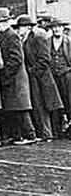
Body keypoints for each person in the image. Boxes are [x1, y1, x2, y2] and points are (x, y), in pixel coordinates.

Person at [15, 14, 63, 142]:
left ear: (28, 27)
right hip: (34, 78)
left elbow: (45, 59)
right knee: (37, 105)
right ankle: (42, 133)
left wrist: (32, 71)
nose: (19, 30)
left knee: (42, 106)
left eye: (21, 27)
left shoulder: (37, 38)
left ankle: (46, 134)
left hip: (41, 78)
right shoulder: (24, 39)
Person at [0, 8, 37, 145]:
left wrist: (5, 75)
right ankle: (17, 135)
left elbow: (16, 59)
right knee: (12, 108)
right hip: (10, 78)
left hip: (16, 78)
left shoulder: (12, 35)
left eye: (0, 22)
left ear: (6, 22)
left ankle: (30, 135)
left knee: (21, 108)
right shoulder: (1, 36)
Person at [49, 18, 71, 136]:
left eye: (59, 26)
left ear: (63, 28)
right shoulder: (48, 42)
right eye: (54, 27)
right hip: (52, 77)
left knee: (69, 101)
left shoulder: (68, 42)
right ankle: (57, 129)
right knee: (56, 102)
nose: (57, 29)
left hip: (66, 76)